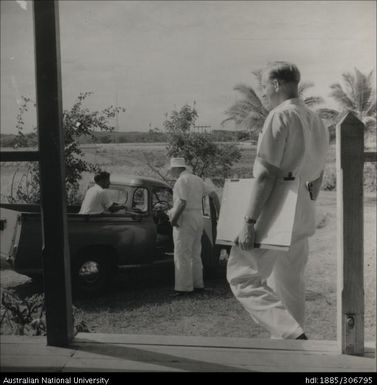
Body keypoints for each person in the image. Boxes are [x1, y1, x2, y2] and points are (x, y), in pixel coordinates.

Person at [226, 61, 329, 340]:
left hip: (277, 208)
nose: (263, 93)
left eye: (264, 87)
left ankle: (291, 334)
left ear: (275, 84)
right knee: (289, 284)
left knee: (241, 277)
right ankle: (293, 354)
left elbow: (266, 175)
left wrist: (249, 221)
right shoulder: (316, 120)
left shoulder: (280, 115)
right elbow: (319, 176)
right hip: (303, 207)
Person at [168, 157, 220, 296]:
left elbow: (182, 202)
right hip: (198, 217)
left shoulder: (181, 181)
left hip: (185, 217)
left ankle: (183, 288)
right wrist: (219, 214)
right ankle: (198, 284)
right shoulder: (197, 179)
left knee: (182, 253)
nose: (172, 172)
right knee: (195, 253)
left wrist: (174, 219)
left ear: (177, 169)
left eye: (172, 169)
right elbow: (214, 195)